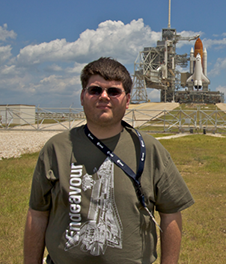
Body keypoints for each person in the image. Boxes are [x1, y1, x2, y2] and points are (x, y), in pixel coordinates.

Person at [24, 57, 194, 264]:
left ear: (127, 100)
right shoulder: (56, 148)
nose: (104, 97)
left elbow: (171, 214)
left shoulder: (149, 149)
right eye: (95, 90)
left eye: (113, 91)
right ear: (82, 96)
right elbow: (38, 213)